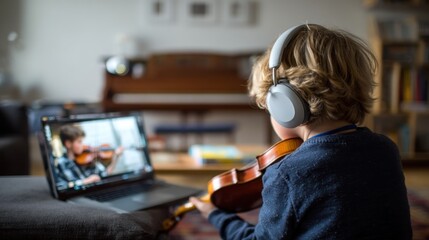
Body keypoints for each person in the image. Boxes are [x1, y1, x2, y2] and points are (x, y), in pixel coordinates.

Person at [189, 24, 412, 239]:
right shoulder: (386, 149)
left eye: (268, 108)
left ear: (285, 104)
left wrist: (216, 216)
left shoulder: (289, 173)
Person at [56, 124, 123, 188]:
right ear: (68, 144)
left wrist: (115, 158)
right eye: (79, 142)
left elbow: (105, 174)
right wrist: (87, 181)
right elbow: (65, 186)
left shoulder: (87, 160)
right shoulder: (62, 162)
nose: (82, 145)